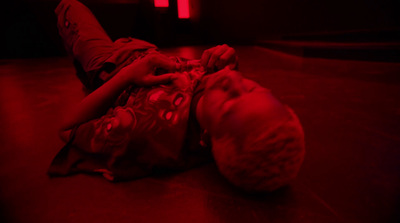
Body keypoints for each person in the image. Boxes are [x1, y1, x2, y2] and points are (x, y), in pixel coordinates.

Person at [49, 0, 305, 192]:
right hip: (143, 49)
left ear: (206, 137)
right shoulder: (216, 104)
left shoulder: (148, 131)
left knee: (69, 6)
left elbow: (66, 127)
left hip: (109, 62)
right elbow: (226, 93)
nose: (233, 80)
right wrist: (226, 60)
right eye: (251, 89)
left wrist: (127, 75)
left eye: (230, 102)